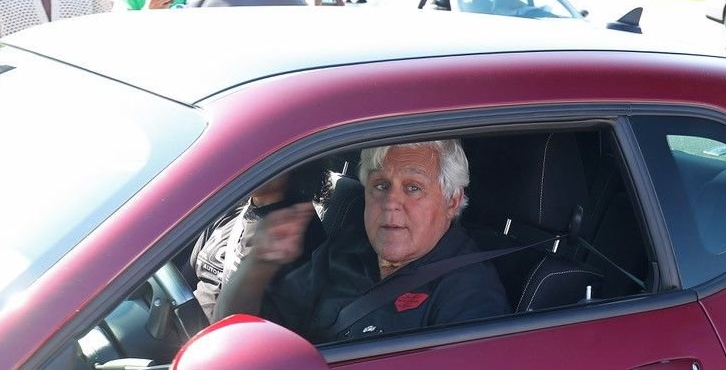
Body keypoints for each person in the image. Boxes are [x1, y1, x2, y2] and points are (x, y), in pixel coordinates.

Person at [214, 139, 510, 344]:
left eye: (413, 188)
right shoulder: (346, 249)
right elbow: (244, 332)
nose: (391, 202)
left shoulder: (471, 296)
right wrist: (258, 265)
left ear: (451, 200)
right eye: (381, 185)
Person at [190, 157, 334, 321]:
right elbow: (188, 274)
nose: (252, 161)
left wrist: (258, 265)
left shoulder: (297, 235)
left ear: (296, 165)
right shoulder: (229, 208)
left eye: (268, 156)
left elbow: (249, 327)